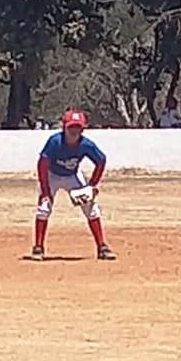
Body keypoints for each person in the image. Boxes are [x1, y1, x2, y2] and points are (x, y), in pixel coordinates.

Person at [30, 109, 116, 262]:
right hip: (52, 175)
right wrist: (45, 191)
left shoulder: (86, 145)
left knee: (91, 208)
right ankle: (38, 248)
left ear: (83, 129)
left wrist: (92, 185)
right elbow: (42, 164)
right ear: (64, 127)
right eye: (71, 127)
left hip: (72, 176)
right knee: (44, 208)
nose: (74, 131)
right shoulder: (55, 142)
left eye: (78, 127)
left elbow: (101, 160)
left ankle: (102, 247)